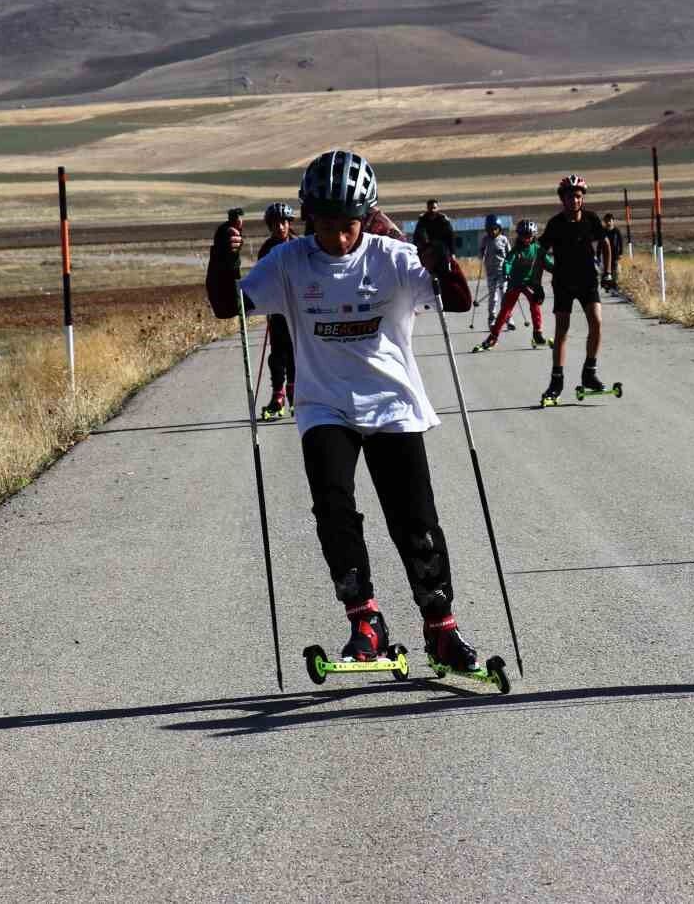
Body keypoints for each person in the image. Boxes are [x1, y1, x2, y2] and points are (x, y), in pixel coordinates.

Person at [207, 149, 489, 673]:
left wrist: (442, 259)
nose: (338, 239)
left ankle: (441, 629)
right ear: (309, 217)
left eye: (350, 226)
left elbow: (457, 302)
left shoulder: (390, 257)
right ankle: (365, 622)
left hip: (393, 404)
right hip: (324, 407)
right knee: (334, 513)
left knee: (417, 525)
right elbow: (229, 306)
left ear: (368, 217)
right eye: (327, 226)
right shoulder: (289, 262)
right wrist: (220, 258)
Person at [538, 173, 612, 404]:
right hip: (563, 283)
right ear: (563, 199)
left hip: (588, 280)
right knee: (562, 331)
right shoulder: (555, 224)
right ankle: (556, 381)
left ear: (583, 198)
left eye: (578, 196)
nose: (575, 201)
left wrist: (608, 273)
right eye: (570, 197)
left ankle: (589, 372)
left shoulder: (591, 219)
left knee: (597, 322)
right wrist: (536, 282)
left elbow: (605, 244)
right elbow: (540, 253)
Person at [472, 219, 549, 352]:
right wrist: (506, 272)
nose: (526, 239)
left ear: (534, 236)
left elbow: (548, 262)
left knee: (534, 303)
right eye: (524, 235)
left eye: (529, 236)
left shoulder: (537, 249)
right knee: (505, 309)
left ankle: (537, 334)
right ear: (519, 235)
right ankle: (493, 337)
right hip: (515, 282)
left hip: (529, 282)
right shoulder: (516, 250)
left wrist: (559, 271)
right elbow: (508, 261)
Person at [257, 202, 299, 419]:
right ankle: (278, 396)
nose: (280, 227)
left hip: (299, 309)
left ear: (289, 223)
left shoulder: (299, 245)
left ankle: (295, 395)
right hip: (276, 309)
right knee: (277, 355)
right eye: (275, 224)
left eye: (283, 222)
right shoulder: (266, 249)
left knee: (295, 353)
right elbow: (261, 279)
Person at [478, 214, 512, 330]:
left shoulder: (504, 239)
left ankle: (508, 318)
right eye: (490, 229)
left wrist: (510, 268)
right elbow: (481, 254)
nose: (492, 231)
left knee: (505, 296)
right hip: (491, 273)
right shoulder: (485, 240)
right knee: (493, 297)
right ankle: (492, 319)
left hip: (503, 272)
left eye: (495, 229)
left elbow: (510, 255)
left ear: (499, 228)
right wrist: (482, 253)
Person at [414, 197, 455, 265]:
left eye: (434, 208)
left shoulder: (443, 220)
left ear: (437, 208)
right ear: (427, 208)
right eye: (430, 208)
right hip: (427, 247)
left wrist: (453, 253)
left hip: (441, 248)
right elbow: (417, 236)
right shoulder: (422, 220)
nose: (432, 210)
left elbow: (450, 237)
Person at [602, 212, 624, 289]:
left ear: (613, 221)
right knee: (607, 270)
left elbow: (621, 242)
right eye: (607, 221)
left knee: (616, 270)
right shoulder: (603, 231)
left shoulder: (616, 231)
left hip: (615, 254)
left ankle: (616, 285)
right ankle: (608, 286)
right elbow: (600, 243)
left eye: (610, 221)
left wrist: (621, 253)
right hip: (606, 255)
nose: (608, 223)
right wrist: (598, 254)